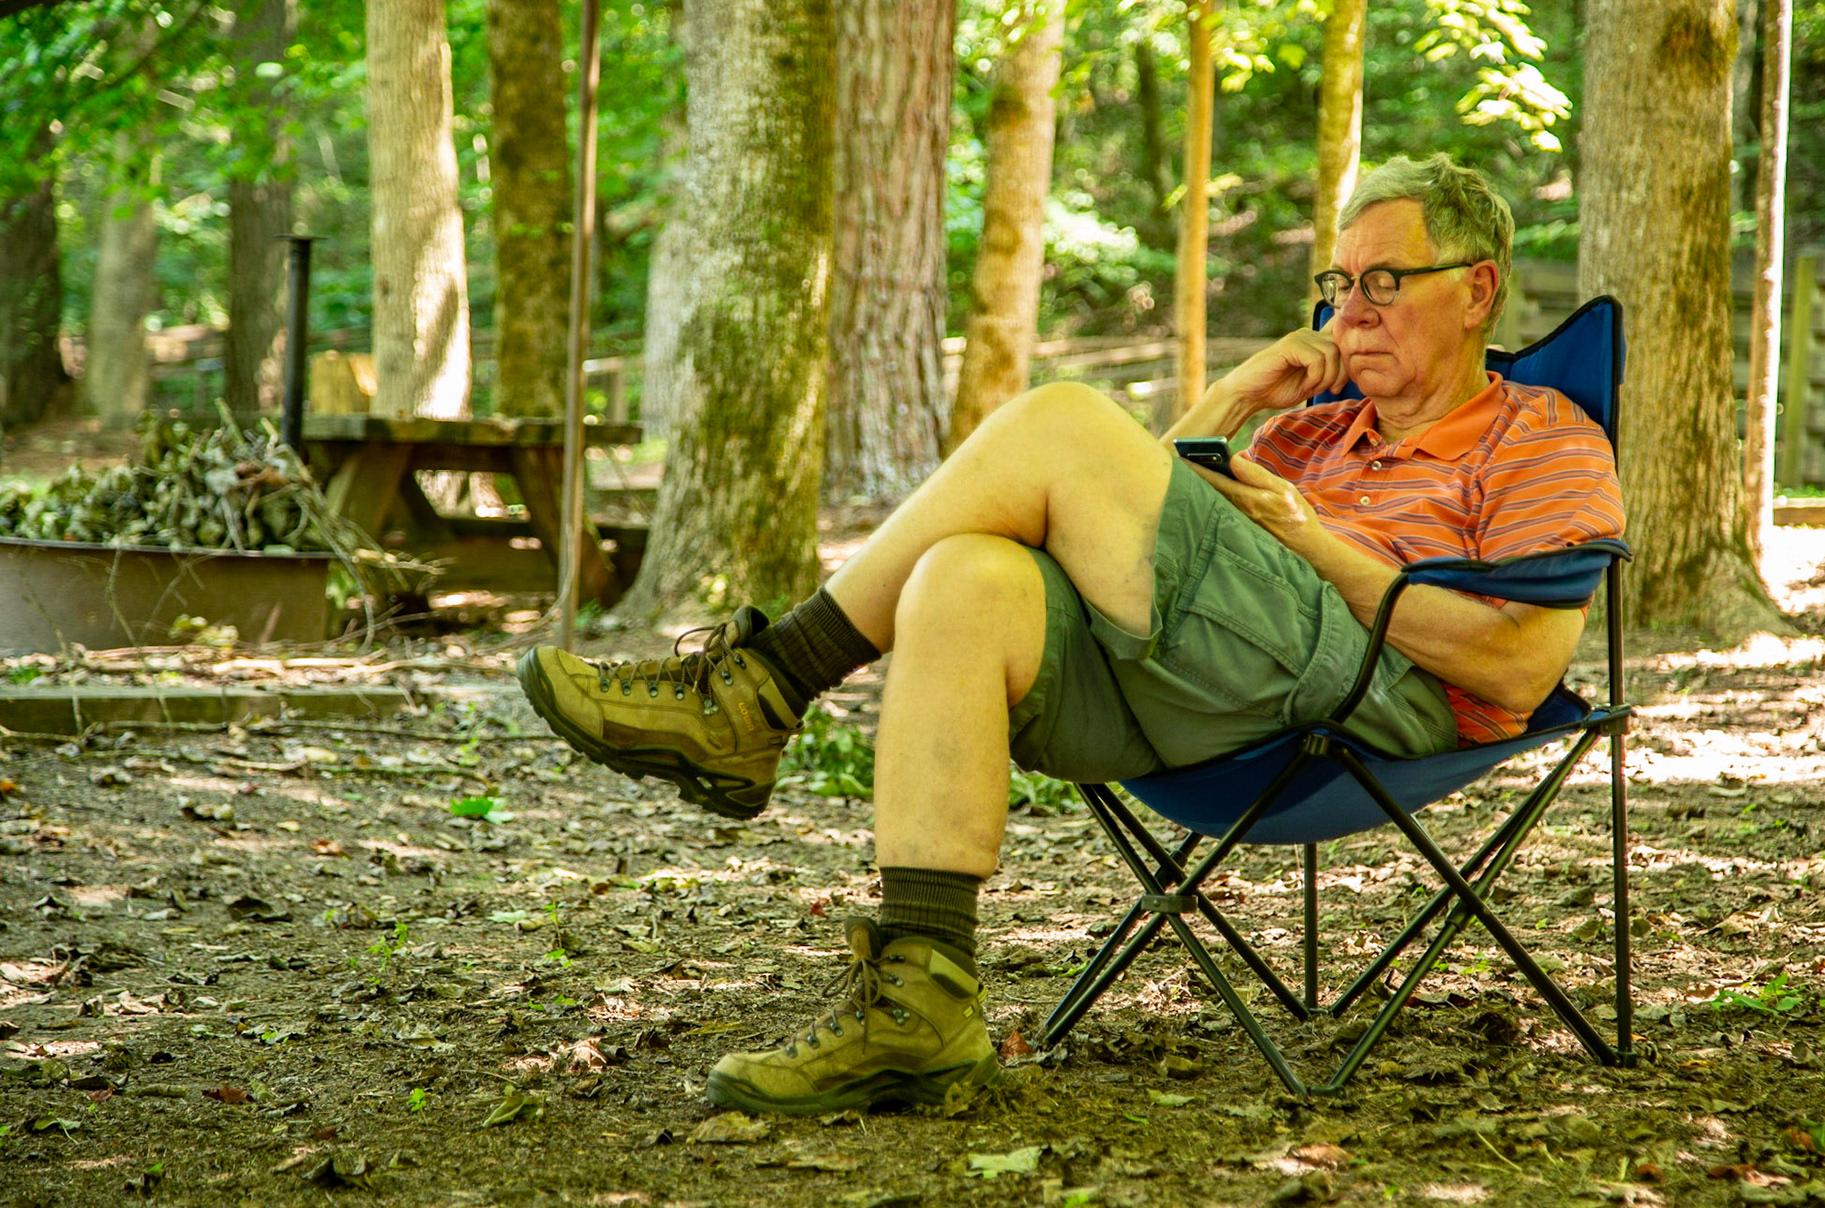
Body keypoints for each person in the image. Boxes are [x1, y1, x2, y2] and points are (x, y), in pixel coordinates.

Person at [517, 154, 1625, 1116]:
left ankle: (762, 688)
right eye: (1340, 284)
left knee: (1060, 417)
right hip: (1221, 688)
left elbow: (1522, 668)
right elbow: (1141, 511)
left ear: (1477, 290)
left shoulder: (1541, 435)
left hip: (1378, 698)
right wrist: (1241, 394)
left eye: (1385, 281)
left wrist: (1323, 547)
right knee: (965, 577)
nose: (1351, 312)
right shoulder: (1318, 428)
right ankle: (923, 997)